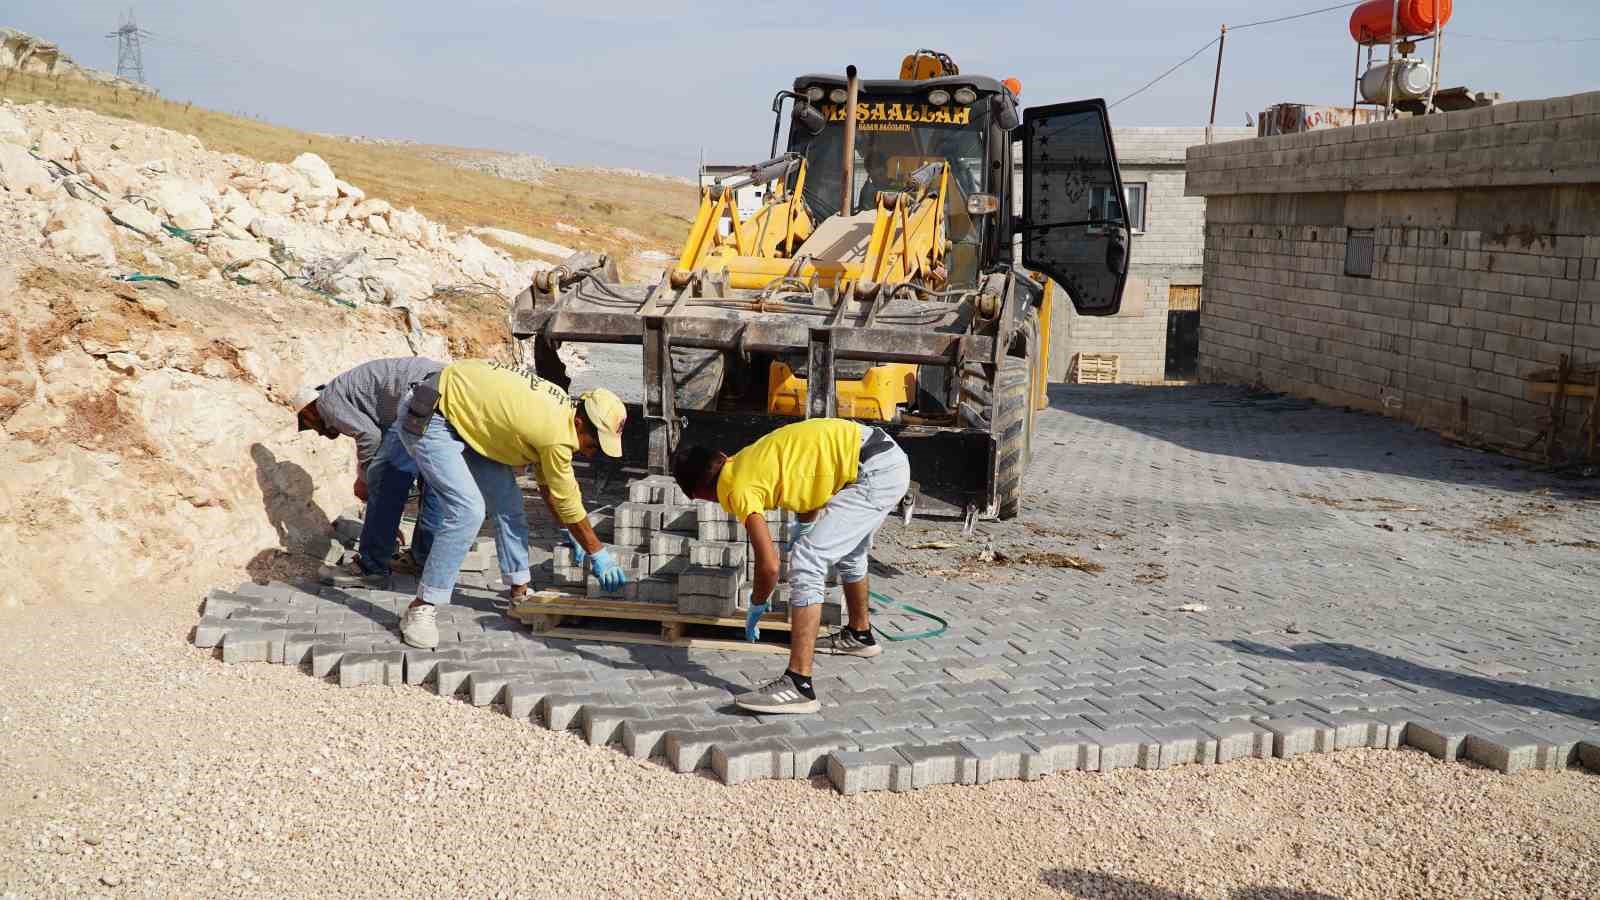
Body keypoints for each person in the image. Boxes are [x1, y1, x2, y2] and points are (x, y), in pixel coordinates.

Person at [672, 418, 910, 714]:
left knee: (808, 560)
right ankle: (860, 635)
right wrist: (806, 526)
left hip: (875, 473)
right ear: (721, 455)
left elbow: (769, 565)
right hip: (880, 456)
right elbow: (809, 480)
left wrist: (757, 605)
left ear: (702, 494)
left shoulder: (735, 488)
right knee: (848, 551)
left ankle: (798, 684)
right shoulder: (747, 457)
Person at [394, 359, 629, 650]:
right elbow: (568, 498)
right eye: (592, 445)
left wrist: (570, 531)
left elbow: (549, 488)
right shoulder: (556, 434)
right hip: (432, 416)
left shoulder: (561, 414)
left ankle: (519, 590)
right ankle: (421, 606)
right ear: (580, 422)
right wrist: (597, 552)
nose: (591, 455)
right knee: (468, 511)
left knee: (509, 504)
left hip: (469, 422)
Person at [292, 357, 445, 587]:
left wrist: (365, 480)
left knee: (384, 481)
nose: (318, 432)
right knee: (433, 481)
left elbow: (369, 437)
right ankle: (423, 560)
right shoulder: (355, 395)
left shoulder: (326, 402)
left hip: (420, 395)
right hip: (447, 389)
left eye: (309, 424)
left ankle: (370, 567)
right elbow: (381, 437)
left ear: (309, 411)